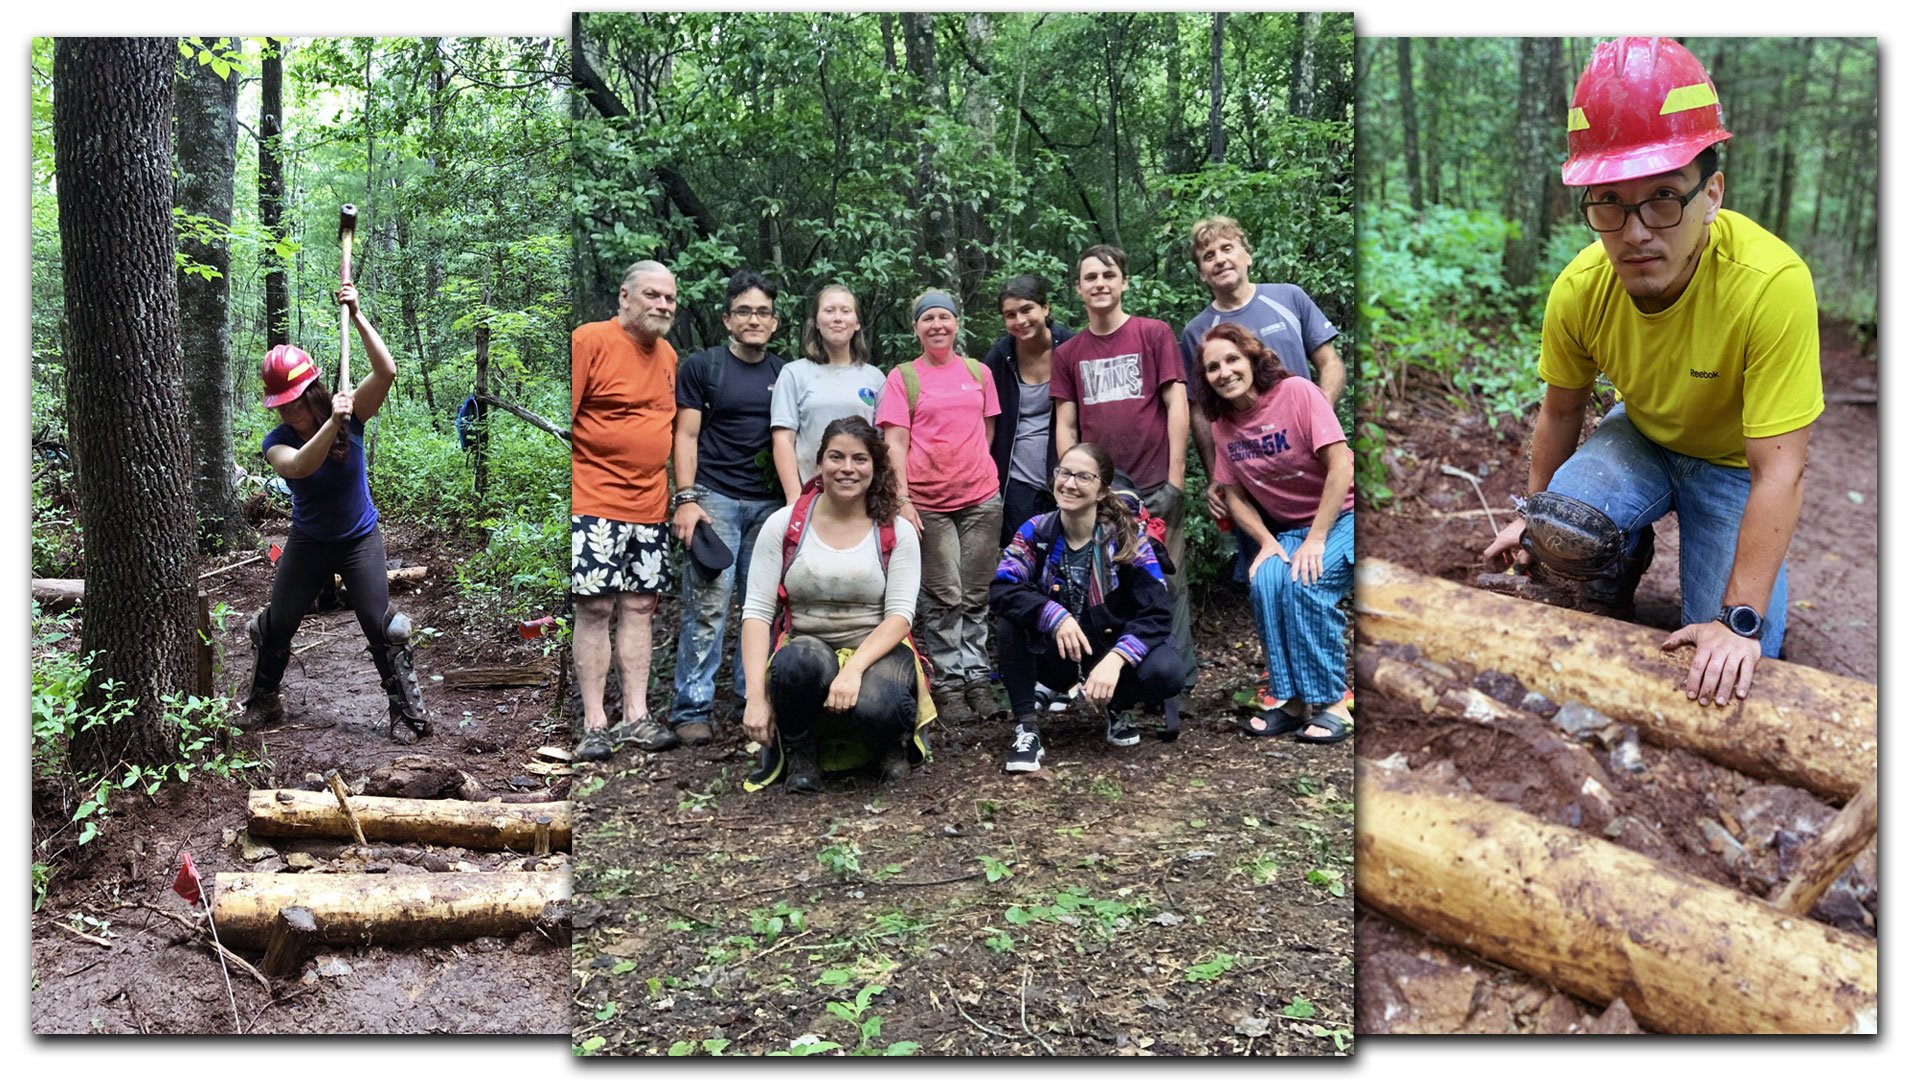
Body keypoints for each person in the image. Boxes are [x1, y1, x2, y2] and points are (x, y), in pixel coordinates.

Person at [1482, 37, 1820, 709]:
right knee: (1563, 524)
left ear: (1711, 193)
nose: (1635, 231)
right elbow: (1559, 412)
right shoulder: (1580, 289)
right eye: (1609, 201)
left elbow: (1781, 468)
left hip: (1733, 466)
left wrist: (1741, 621)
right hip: (1640, 436)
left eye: (1664, 197)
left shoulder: (1770, 285)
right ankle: (1612, 577)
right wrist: (1533, 518)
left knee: (1747, 658)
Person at [240, 283, 429, 744]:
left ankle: (406, 711)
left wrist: (358, 315)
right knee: (276, 622)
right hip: (308, 540)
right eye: (279, 405)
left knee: (382, 624)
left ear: (309, 391)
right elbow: (301, 465)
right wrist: (330, 423)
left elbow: (386, 371)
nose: (287, 412)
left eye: (292, 402)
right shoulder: (277, 441)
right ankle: (264, 699)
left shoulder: (352, 414)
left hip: (359, 537)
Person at [739, 417, 929, 793]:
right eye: (836, 457)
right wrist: (755, 697)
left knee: (879, 700)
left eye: (859, 459)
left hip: (877, 648)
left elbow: (900, 616)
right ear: (819, 463)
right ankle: (800, 752)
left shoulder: (896, 530)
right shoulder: (784, 525)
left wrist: (854, 669)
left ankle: (888, 746)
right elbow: (757, 614)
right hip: (808, 645)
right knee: (797, 664)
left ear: (875, 468)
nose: (847, 468)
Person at [1197, 324, 1355, 743]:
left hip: (1349, 516)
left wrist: (1318, 539)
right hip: (1292, 528)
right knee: (1266, 579)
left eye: (1232, 359)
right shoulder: (1223, 425)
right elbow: (1234, 495)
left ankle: (1333, 702)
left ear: (1251, 358)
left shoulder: (1298, 393)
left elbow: (1342, 466)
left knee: (1308, 581)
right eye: (1213, 367)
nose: (1225, 371)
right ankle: (1290, 702)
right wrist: (1266, 542)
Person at [1051, 245, 1195, 690]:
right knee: (1104, 585)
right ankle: (1116, 684)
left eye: (1108, 275)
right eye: (1090, 277)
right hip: (1101, 491)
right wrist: (1072, 483)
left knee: (1166, 582)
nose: (1100, 283)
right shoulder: (1069, 352)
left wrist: (1175, 480)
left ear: (1124, 282)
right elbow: (1066, 423)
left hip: (1153, 483)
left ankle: (1177, 684)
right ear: (1079, 289)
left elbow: (1176, 405)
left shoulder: (1153, 335)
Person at [990, 443, 1184, 772]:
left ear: (1101, 490)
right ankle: (1027, 728)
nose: (1069, 483)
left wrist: (1118, 658)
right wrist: (1053, 615)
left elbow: (1158, 612)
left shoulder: (1128, 539)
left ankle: (1117, 705)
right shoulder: (1036, 531)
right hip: (1059, 652)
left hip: (1108, 649)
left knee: (1166, 672)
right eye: (1064, 473)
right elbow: (1002, 588)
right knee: (1011, 623)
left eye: (1083, 477)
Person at [1179, 215, 1346, 574]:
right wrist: (1216, 477)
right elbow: (1200, 410)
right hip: (1250, 472)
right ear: (1202, 273)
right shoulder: (1197, 332)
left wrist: (1320, 417)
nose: (1220, 259)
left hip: (1310, 464)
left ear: (1247, 255)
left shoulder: (1288, 297)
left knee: (1319, 569)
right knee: (1266, 573)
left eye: (1227, 248)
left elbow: (1330, 362)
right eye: (1208, 256)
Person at [667, 270, 790, 746]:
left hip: (769, 505)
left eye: (762, 312)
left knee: (761, 606)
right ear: (727, 319)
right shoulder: (704, 367)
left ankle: (750, 698)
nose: (753, 319)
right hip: (714, 499)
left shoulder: (785, 373)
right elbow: (687, 435)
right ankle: (691, 708)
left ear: (774, 322)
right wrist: (687, 499)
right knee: (707, 606)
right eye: (744, 311)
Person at [874, 289, 1004, 723]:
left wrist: (972, 473)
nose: (937, 325)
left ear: (956, 323)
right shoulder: (903, 378)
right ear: (916, 327)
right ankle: (948, 684)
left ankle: (977, 681)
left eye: (944, 317)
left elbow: (986, 432)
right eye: (927, 318)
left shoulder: (978, 372)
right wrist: (903, 500)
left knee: (976, 593)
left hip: (981, 500)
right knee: (943, 595)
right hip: (928, 504)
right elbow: (895, 443)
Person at [570, 260, 680, 761]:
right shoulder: (589, 341)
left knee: (640, 607)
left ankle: (636, 716)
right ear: (625, 297)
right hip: (593, 500)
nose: (662, 305)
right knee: (595, 607)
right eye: (653, 295)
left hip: (650, 504)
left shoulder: (669, 356)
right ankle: (595, 720)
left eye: (670, 299)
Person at [770, 283, 885, 503]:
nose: (838, 318)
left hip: (862, 495)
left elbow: (882, 442)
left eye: (845, 311)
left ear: (857, 322)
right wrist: (794, 497)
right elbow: (783, 439)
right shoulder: (794, 373)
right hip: (811, 493)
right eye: (829, 310)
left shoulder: (875, 378)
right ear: (816, 322)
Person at [982, 274, 1074, 545]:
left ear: (1045, 308)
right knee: (1021, 563)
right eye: (1010, 315)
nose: (1020, 321)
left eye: (1026, 309)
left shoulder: (1071, 348)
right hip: (1015, 482)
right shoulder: (1000, 356)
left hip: (1064, 476)